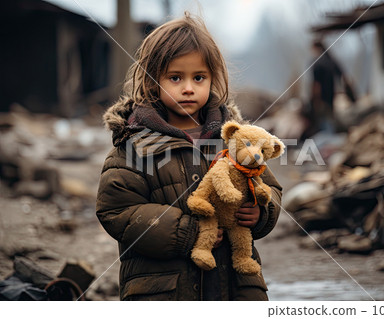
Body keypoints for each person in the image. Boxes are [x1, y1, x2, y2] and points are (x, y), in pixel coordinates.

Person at [96, 13, 282, 301]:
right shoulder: (135, 143)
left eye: (199, 77)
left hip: (234, 287)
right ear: (151, 80)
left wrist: (261, 212)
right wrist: (185, 232)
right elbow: (117, 210)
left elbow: (270, 188)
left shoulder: (232, 139)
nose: (188, 88)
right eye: (175, 77)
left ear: (212, 79)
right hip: (164, 291)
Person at [310, 40, 353, 134]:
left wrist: (315, 100)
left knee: (323, 125)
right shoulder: (331, 61)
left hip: (321, 99)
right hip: (331, 97)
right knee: (330, 121)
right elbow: (343, 77)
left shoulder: (317, 63)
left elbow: (316, 85)